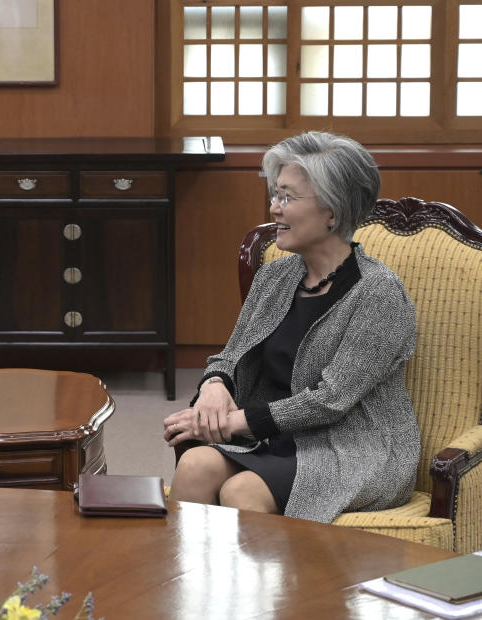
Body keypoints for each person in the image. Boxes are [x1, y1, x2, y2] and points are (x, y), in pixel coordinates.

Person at [163, 131, 419, 523]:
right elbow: (232, 353)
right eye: (274, 195)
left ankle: (277, 588)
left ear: (333, 211)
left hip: (355, 448)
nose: (273, 209)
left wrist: (233, 423)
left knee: (241, 489)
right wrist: (215, 387)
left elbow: (331, 398)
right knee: (195, 465)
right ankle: (179, 581)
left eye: (287, 197)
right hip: (280, 437)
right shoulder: (276, 275)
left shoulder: (379, 294)